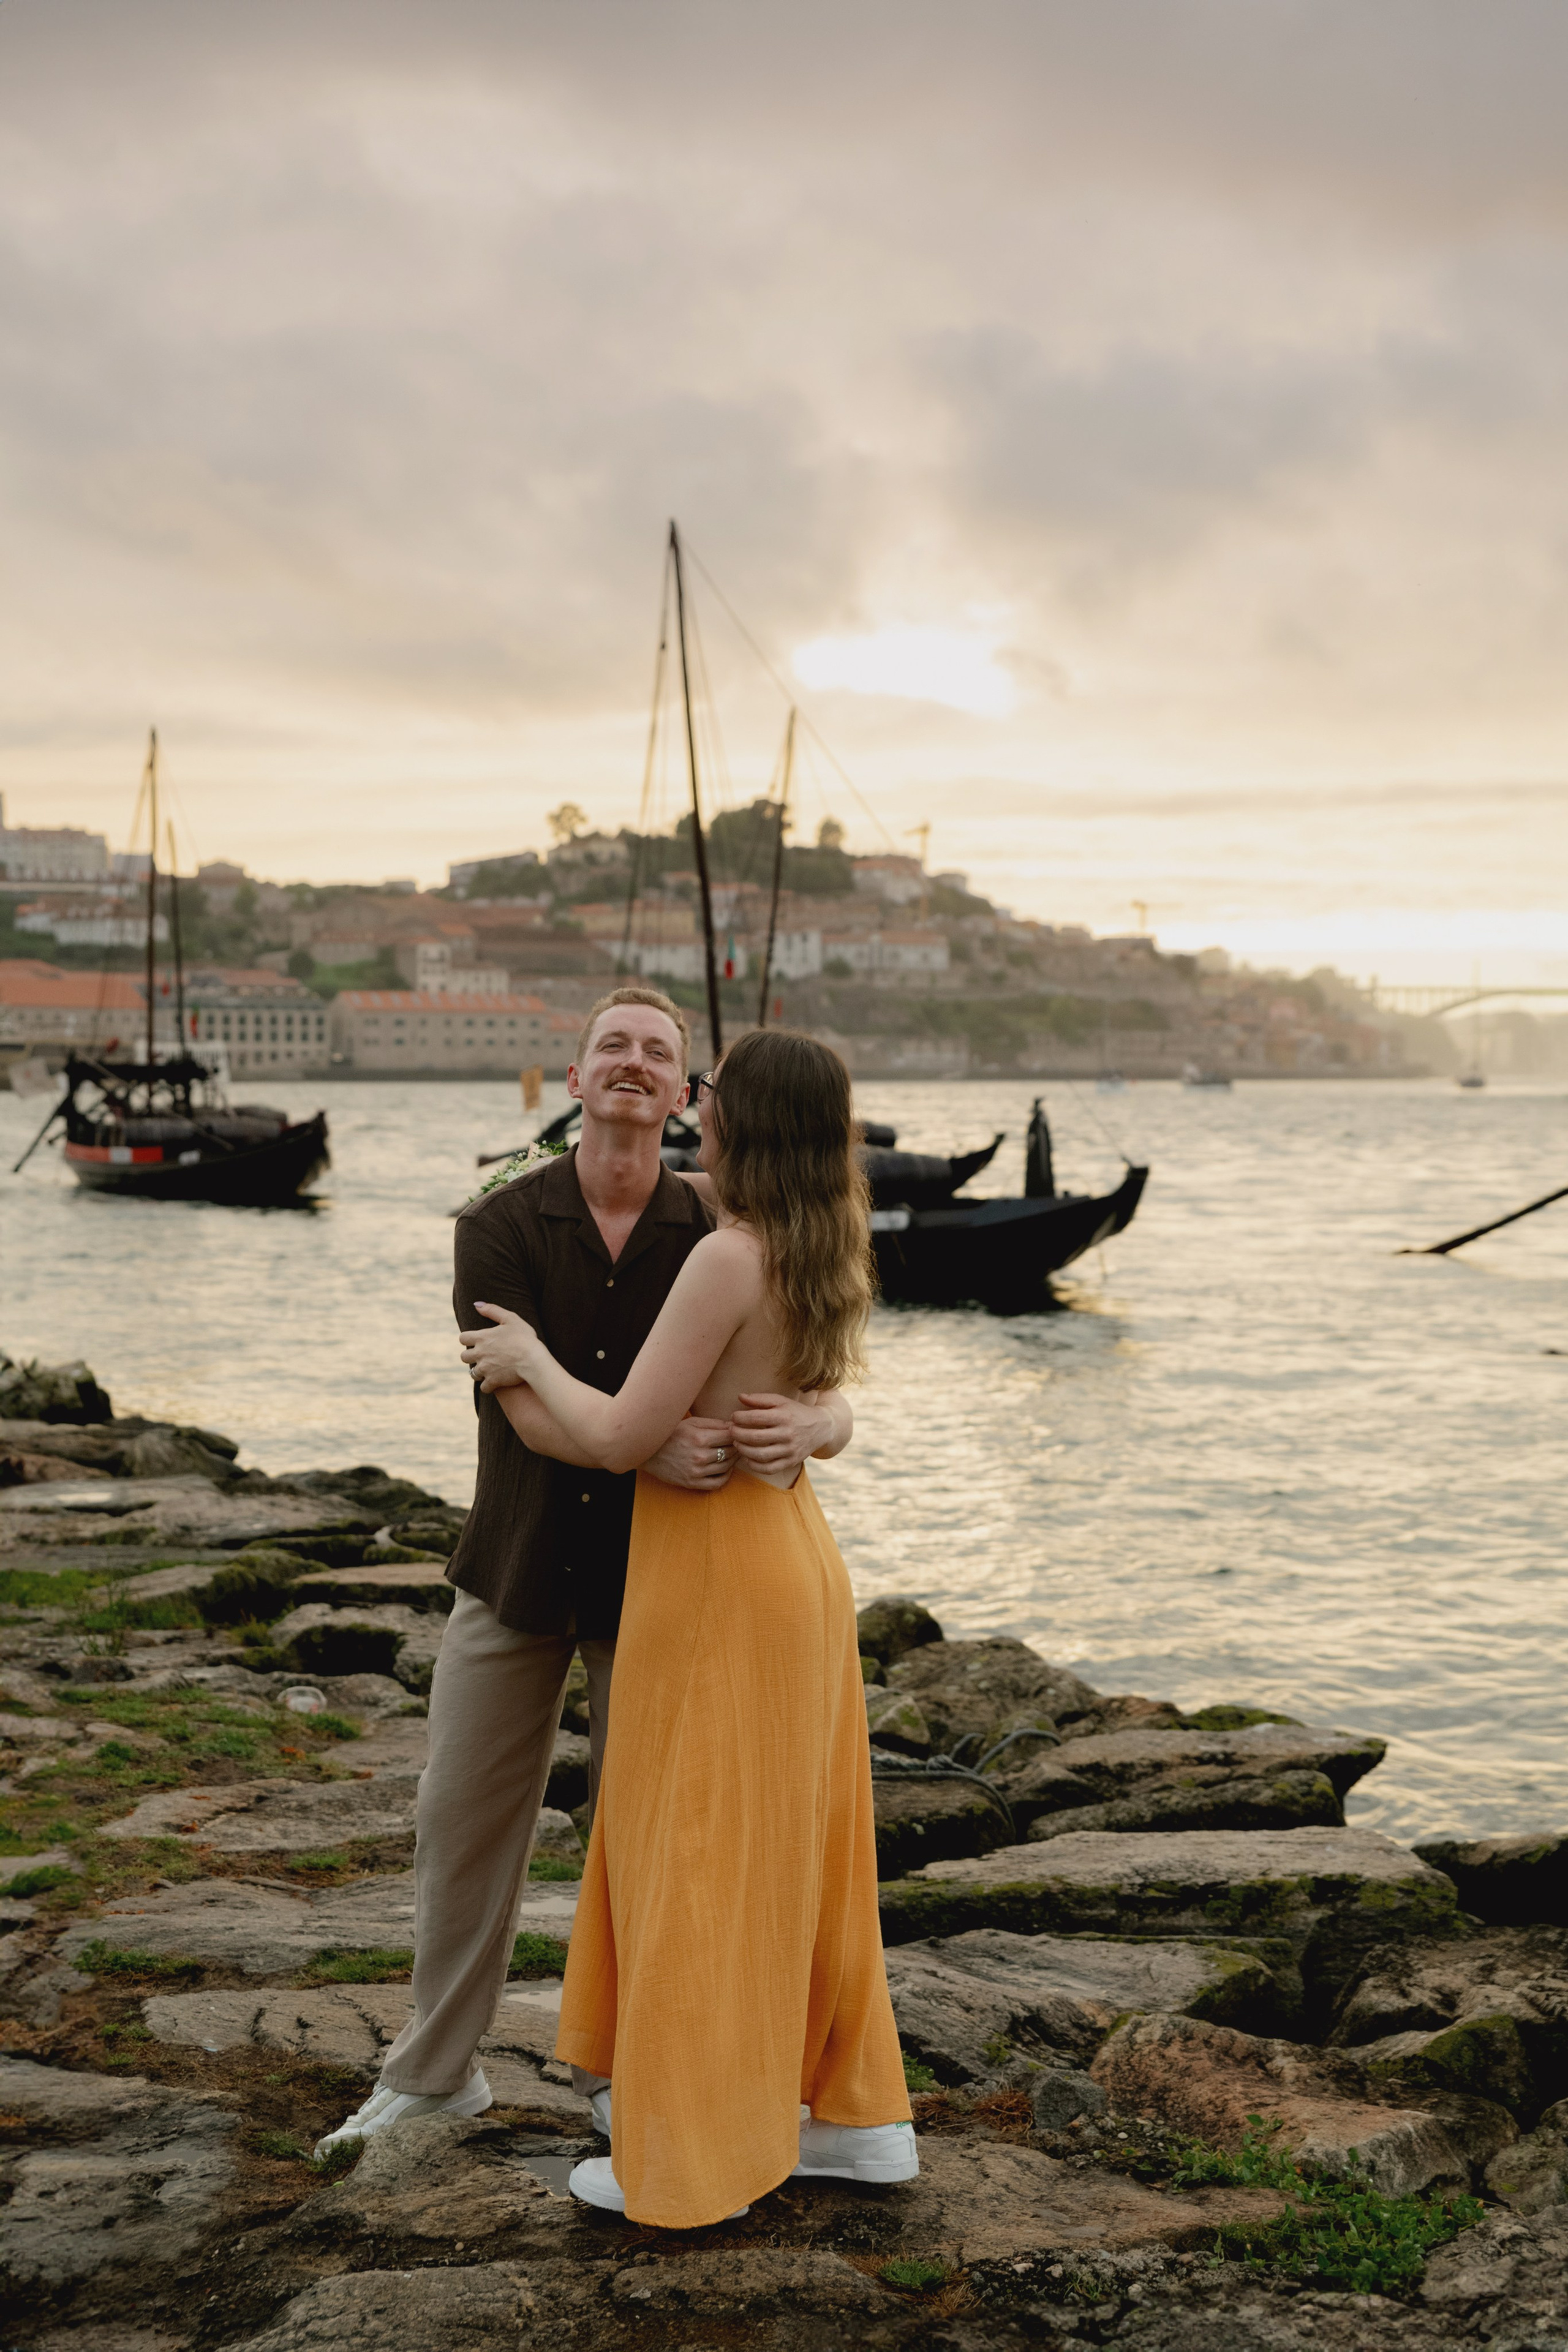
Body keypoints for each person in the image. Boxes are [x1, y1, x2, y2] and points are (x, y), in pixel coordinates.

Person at [314, 987, 848, 2157]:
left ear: (684, 1094)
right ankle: (435, 2074)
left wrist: (828, 1421)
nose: (636, 1063)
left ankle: (638, 2073)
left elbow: (814, 1344)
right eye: (614, 1044)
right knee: (460, 1821)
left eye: (661, 1053)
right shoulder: (497, 1221)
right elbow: (526, 1410)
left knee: (660, 1838)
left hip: (663, 1586)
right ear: (576, 1077)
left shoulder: (721, 1223)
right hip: (513, 1567)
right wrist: (647, 1436)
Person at [461, 1027, 916, 2228]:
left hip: (713, 1581)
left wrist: (527, 1358)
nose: (692, 1105)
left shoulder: (726, 1257)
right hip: (796, 1567)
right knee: (799, 1853)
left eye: (706, 1091)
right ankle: (853, 2122)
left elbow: (616, 1439)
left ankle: (683, 2154)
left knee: (699, 1854)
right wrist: (825, 1428)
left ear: (740, 1121)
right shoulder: (829, 1234)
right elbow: (823, 1398)